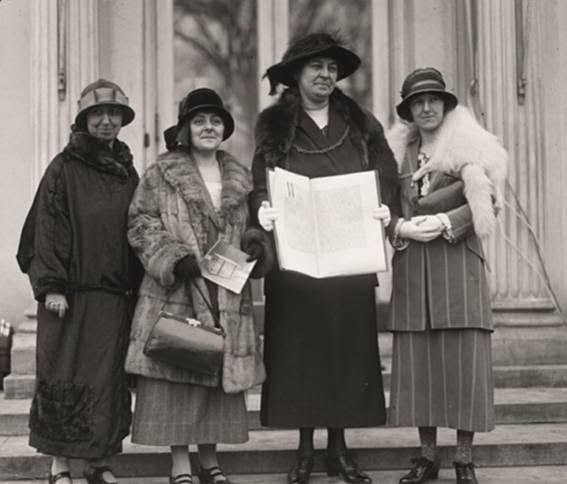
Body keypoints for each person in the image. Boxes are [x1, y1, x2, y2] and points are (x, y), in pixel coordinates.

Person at [251, 32, 400, 484]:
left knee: (343, 354)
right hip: (296, 263)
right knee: (300, 354)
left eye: (332, 68)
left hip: (347, 260)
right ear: (296, 75)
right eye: (315, 66)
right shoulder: (275, 126)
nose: (325, 75)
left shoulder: (359, 122)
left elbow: (386, 172)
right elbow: (261, 178)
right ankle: (302, 450)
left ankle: (339, 449)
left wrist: (385, 206)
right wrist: (263, 207)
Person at [125, 88, 272, 484]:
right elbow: (140, 224)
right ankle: (180, 466)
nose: (209, 127)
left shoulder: (238, 177)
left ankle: (210, 462)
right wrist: (172, 258)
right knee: (180, 378)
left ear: (224, 129)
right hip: (177, 293)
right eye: (199, 121)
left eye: (216, 121)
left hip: (224, 292)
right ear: (185, 130)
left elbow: (249, 228)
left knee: (214, 380)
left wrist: (256, 243)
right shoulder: (161, 174)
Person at [385, 67, 508, 484]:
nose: (425, 107)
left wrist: (445, 222)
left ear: (445, 104)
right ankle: (426, 457)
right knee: (421, 365)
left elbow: (489, 201)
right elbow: (382, 208)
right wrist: (397, 227)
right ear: (408, 111)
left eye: (432, 100)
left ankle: (464, 458)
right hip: (414, 268)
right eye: (417, 102)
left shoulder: (471, 147)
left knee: (463, 362)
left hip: (457, 264)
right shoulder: (397, 155)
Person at [16, 79, 142, 484]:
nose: (106, 121)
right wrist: (52, 284)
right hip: (69, 298)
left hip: (113, 300)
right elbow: (47, 227)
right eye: (97, 114)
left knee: (105, 382)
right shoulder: (64, 167)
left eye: (113, 114)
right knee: (63, 377)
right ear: (84, 120)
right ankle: (60, 467)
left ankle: (99, 464)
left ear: (122, 120)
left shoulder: (127, 171)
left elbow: (139, 228)